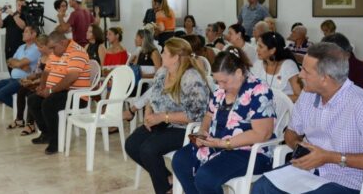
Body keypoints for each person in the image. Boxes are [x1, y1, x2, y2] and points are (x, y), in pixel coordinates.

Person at [251, 42, 363, 194]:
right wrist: (303, 150)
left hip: (347, 179)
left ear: (325, 78)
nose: (300, 75)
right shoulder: (307, 95)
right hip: (308, 169)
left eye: (305, 71)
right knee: (262, 187)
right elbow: (291, 133)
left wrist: (329, 157)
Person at [172, 47, 276, 194]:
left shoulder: (259, 90)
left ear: (239, 73)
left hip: (248, 151)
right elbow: (209, 115)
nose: (220, 86)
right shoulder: (221, 90)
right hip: (217, 144)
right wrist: (202, 132)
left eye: (224, 81)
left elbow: (262, 134)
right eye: (217, 81)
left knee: (206, 177)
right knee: (180, 160)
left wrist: (223, 143)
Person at [125, 37, 209, 194]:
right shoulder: (163, 73)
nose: (161, 54)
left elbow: (198, 114)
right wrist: (148, 113)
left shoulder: (191, 77)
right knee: (131, 145)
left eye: (164, 52)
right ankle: (167, 179)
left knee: (148, 149)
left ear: (176, 57)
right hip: (162, 121)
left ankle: (164, 189)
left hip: (185, 128)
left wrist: (164, 117)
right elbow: (153, 96)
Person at [27, 31, 91, 155]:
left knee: (48, 104)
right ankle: (46, 134)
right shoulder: (57, 52)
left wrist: (51, 90)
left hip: (76, 95)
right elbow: (46, 71)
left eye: (53, 47)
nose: (52, 51)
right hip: (57, 91)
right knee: (33, 100)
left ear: (62, 42)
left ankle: (56, 141)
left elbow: (71, 77)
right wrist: (42, 86)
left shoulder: (77, 52)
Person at [0, 26, 41, 129]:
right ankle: (22, 110)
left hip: (24, 80)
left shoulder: (36, 48)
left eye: (26, 32)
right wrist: (20, 64)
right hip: (12, 78)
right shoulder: (21, 47)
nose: (23, 34)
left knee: (0, 93)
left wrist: (17, 63)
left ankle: (22, 113)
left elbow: (18, 62)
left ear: (34, 34)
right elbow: (9, 61)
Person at [322, 33, 363, 98]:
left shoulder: (362, 74)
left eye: (329, 56)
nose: (325, 60)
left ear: (347, 55)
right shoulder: (332, 68)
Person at [16, 34, 51, 136]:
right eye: (38, 47)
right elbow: (37, 73)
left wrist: (33, 82)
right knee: (22, 90)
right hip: (40, 81)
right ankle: (19, 119)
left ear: (46, 46)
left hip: (45, 84)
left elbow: (48, 77)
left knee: (32, 95)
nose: (38, 49)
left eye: (40, 47)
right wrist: (27, 79)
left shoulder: (52, 58)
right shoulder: (41, 57)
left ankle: (30, 124)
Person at [251, 32, 301, 102]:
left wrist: (272, 98)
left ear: (272, 50)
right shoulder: (257, 64)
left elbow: (299, 96)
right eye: (257, 45)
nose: (257, 49)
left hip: (285, 109)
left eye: (261, 46)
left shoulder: (288, 66)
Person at [0, 0, 27, 72]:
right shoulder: (11, 16)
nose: (20, 7)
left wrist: (13, 14)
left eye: (22, 5)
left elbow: (23, 26)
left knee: (20, 70)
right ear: (16, 5)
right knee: (11, 69)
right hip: (9, 48)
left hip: (21, 48)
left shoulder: (26, 15)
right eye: (18, 5)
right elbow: (0, 25)